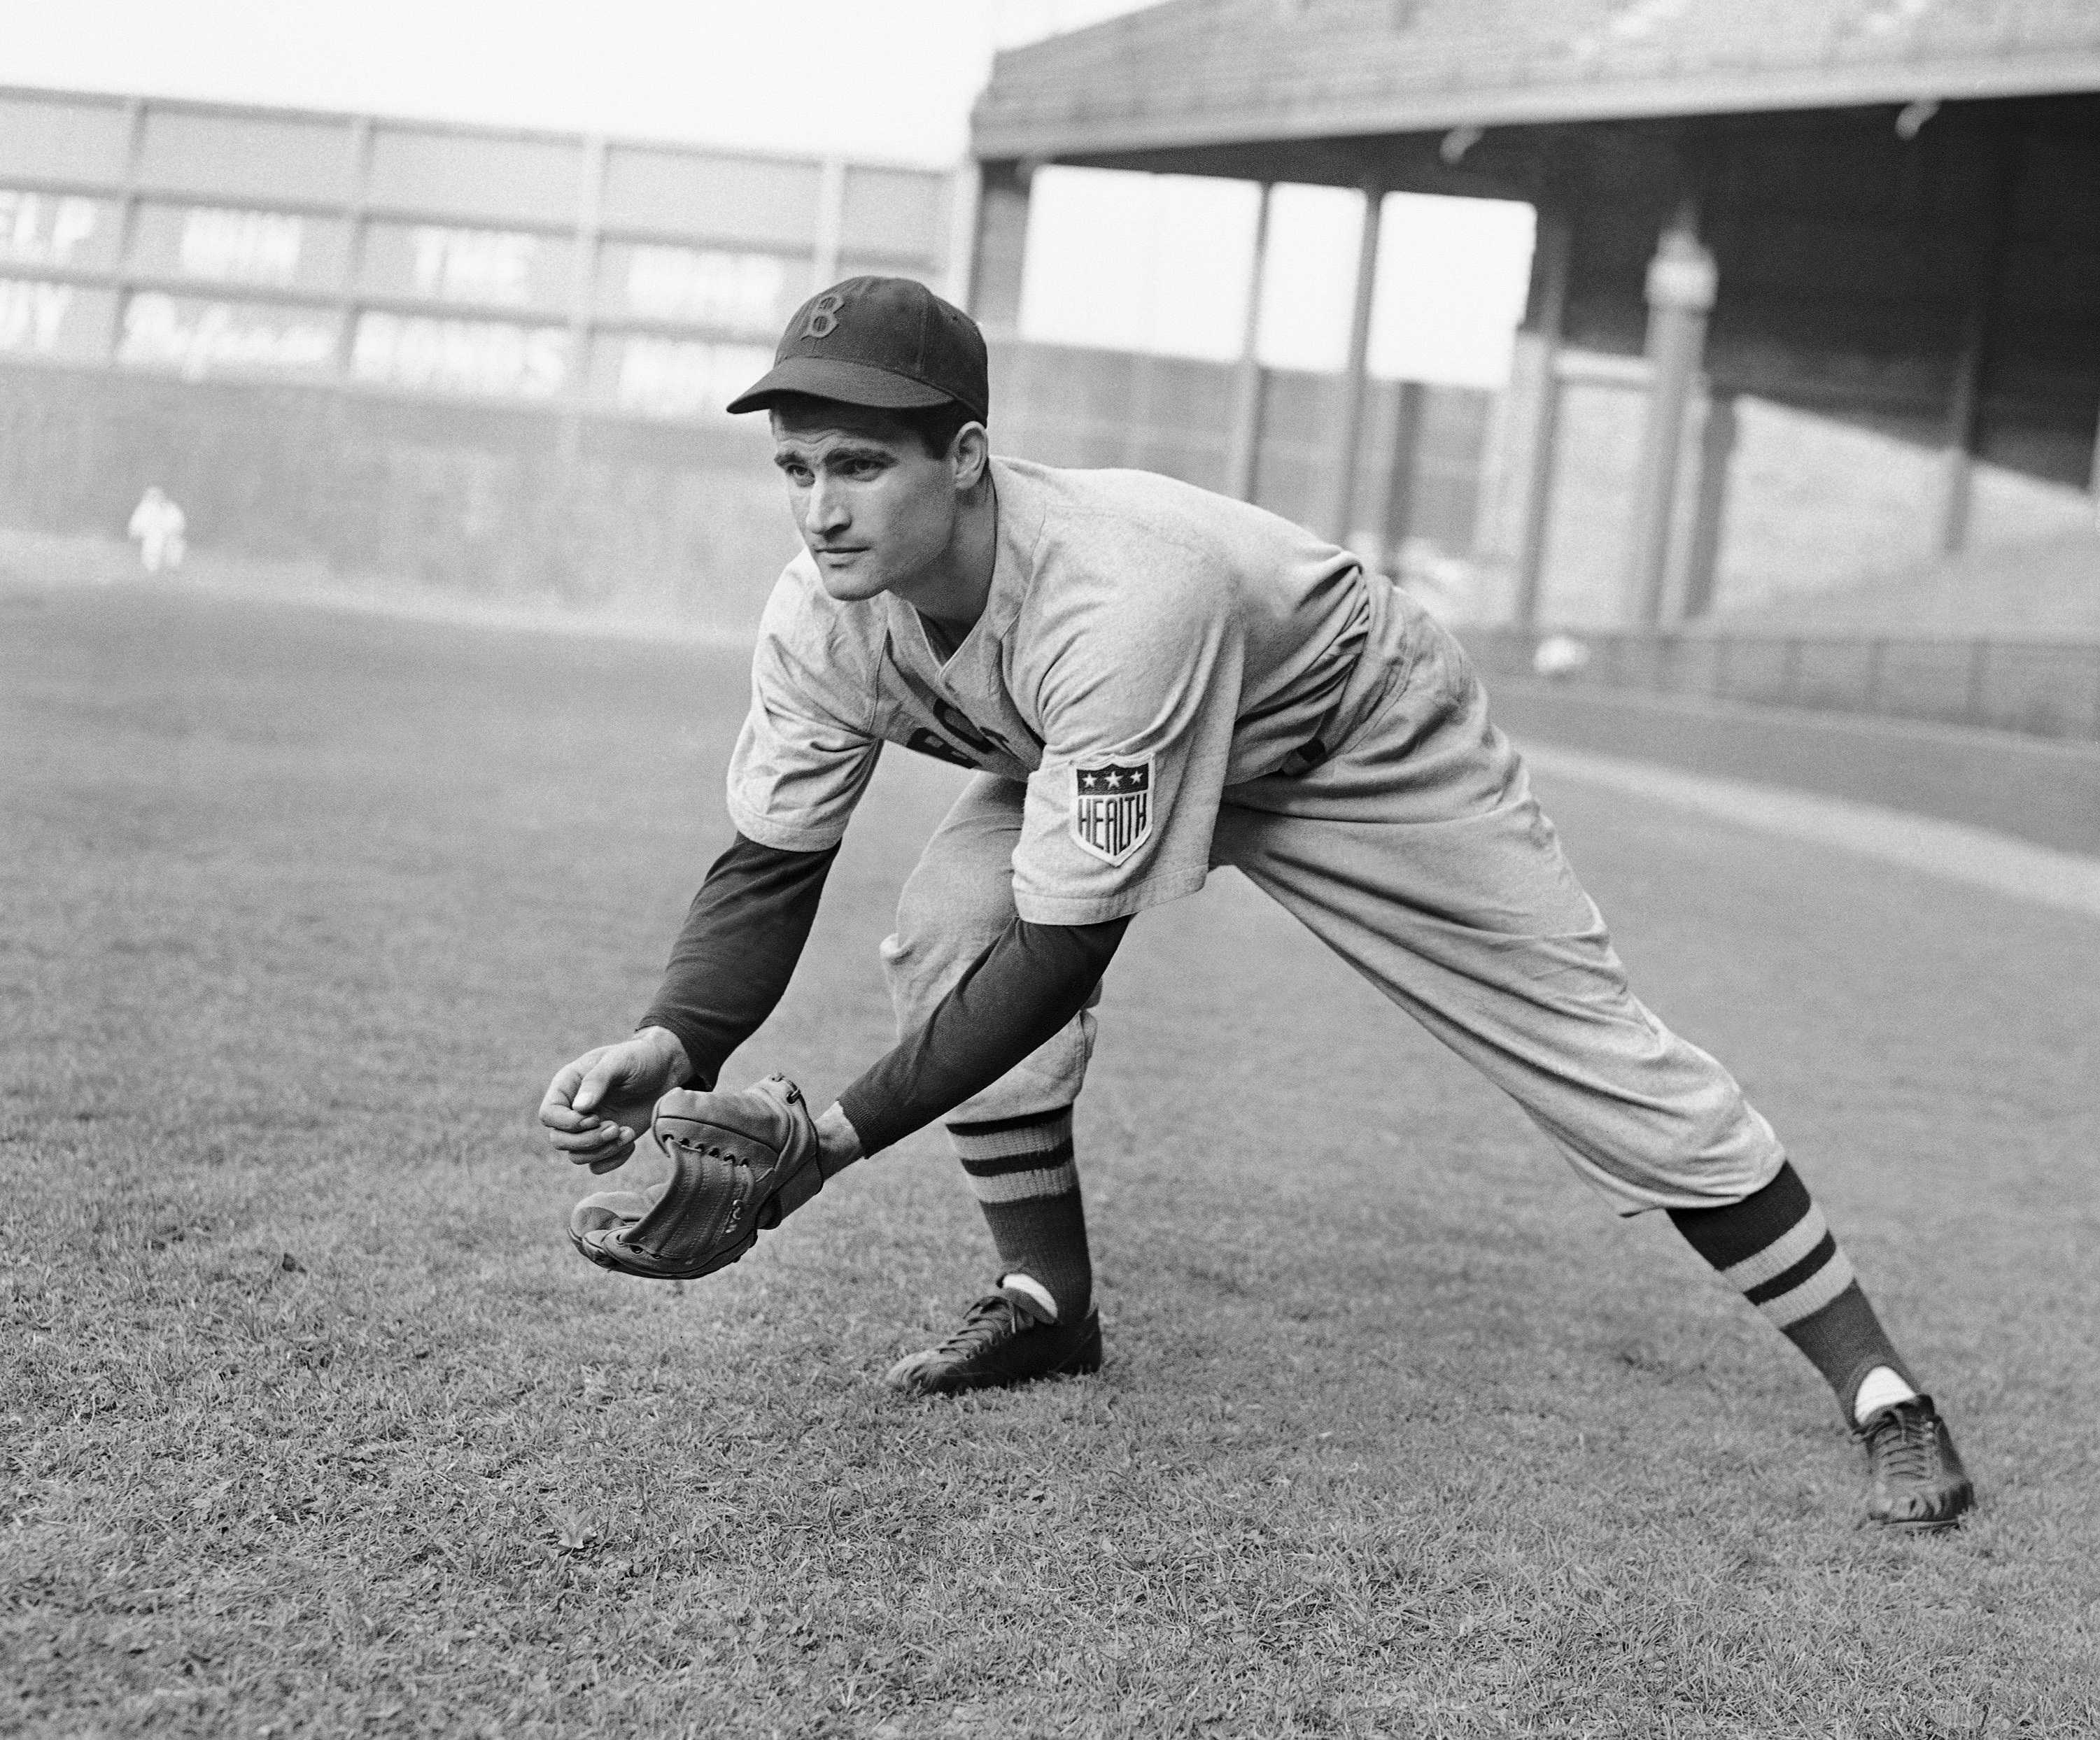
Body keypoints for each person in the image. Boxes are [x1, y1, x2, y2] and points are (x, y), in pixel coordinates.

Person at [538, 278, 1972, 1529]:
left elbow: (1064, 948)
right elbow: (770, 860)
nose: (822, 506)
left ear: (966, 458)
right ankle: (1047, 1308)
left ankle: (1878, 1381)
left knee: (1581, 1043)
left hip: (1351, 731)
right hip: (1098, 749)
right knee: (948, 921)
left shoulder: (1116, 595)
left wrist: (833, 1141)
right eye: (795, 467)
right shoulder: (818, 612)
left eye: (860, 462)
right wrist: (678, 1039)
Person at [127, 486, 187, 575]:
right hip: (151, 535)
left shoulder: (171, 507)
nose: (156, 498)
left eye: (158, 495)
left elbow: (179, 521)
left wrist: (173, 532)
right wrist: (135, 533)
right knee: (154, 544)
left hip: (171, 534)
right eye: (153, 496)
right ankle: (152, 570)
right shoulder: (144, 508)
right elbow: (137, 523)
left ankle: (172, 568)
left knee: (176, 546)